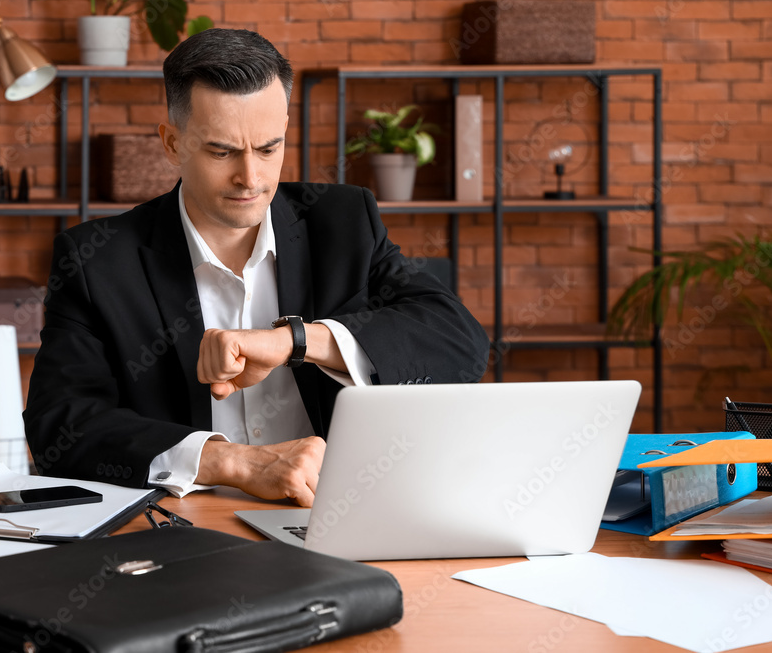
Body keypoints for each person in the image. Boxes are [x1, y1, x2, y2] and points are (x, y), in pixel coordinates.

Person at [24, 28, 490, 507]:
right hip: (188, 531)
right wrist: (235, 463)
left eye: (269, 149)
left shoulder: (345, 222)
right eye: (222, 151)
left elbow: (460, 342)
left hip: (340, 517)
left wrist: (295, 340)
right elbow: (61, 424)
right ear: (172, 144)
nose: (251, 177)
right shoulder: (96, 259)